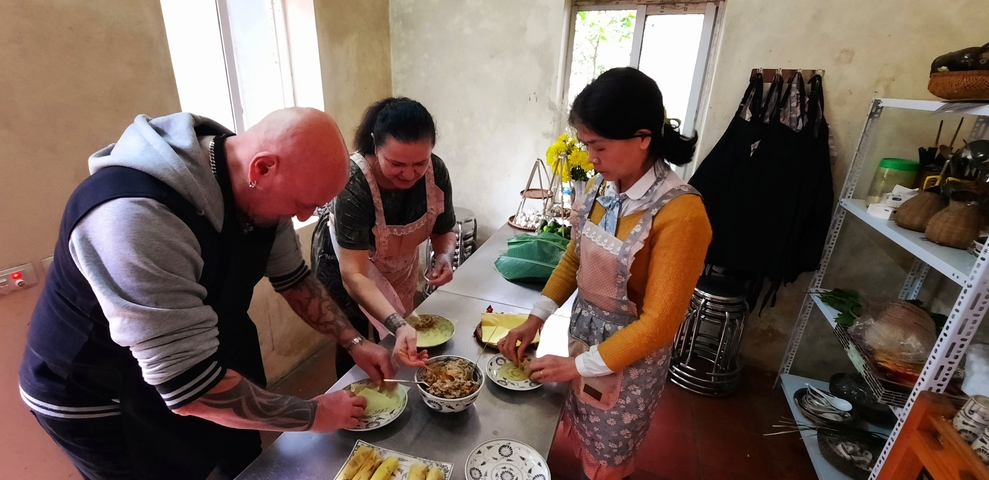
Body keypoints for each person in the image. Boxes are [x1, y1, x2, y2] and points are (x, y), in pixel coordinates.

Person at [18, 108, 398, 480]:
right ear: (262, 168)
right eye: (303, 205)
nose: (302, 218)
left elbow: (293, 278)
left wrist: (353, 341)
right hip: (98, 390)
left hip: (200, 358)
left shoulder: (255, 186)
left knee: (238, 454)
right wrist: (314, 414)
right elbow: (191, 390)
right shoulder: (135, 218)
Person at [498, 68, 712, 480]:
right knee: (582, 426)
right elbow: (574, 261)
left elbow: (660, 324)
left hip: (629, 358)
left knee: (608, 452)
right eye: (585, 145)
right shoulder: (601, 188)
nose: (591, 158)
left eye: (598, 146)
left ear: (643, 138)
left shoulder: (682, 214)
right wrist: (534, 318)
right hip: (584, 337)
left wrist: (576, 367)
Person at [312, 97, 457, 379]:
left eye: (420, 163)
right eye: (396, 163)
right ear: (375, 146)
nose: (410, 174)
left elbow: (443, 229)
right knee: (360, 345)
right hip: (348, 270)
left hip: (398, 266)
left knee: (399, 340)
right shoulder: (353, 182)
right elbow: (353, 275)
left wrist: (444, 256)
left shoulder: (436, 172)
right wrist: (397, 322)